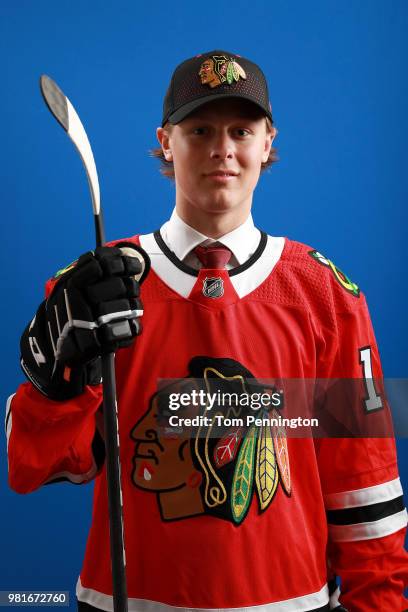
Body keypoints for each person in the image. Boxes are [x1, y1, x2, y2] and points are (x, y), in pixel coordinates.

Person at [6, 50, 408, 612]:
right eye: (199, 129)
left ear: (268, 143)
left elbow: (364, 493)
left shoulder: (327, 295)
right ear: (166, 141)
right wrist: (56, 388)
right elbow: (34, 468)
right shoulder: (97, 289)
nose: (222, 148)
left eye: (241, 130)